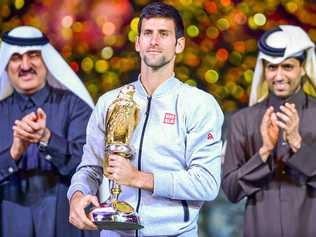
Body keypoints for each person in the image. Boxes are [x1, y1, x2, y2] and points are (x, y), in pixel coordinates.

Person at [68, 2, 224, 236]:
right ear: (138, 42)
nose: (154, 41)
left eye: (164, 34)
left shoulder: (199, 105)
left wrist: (139, 178)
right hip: (115, 232)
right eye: (148, 33)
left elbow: (206, 183)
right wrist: (77, 195)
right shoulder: (110, 102)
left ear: (178, 44)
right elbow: (90, 167)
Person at [0, 26, 99, 237]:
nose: (25, 65)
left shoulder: (75, 105)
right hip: (9, 222)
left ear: (47, 61)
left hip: (65, 222)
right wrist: (14, 153)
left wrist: (47, 139)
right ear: (6, 65)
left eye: (33, 56)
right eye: (16, 58)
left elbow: (92, 164)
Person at [222, 25, 316, 237]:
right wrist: (264, 151)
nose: (279, 76)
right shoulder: (242, 121)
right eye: (272, 67)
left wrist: (296, 142)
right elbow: (231, 191)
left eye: (288, 67)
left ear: (302, 69)